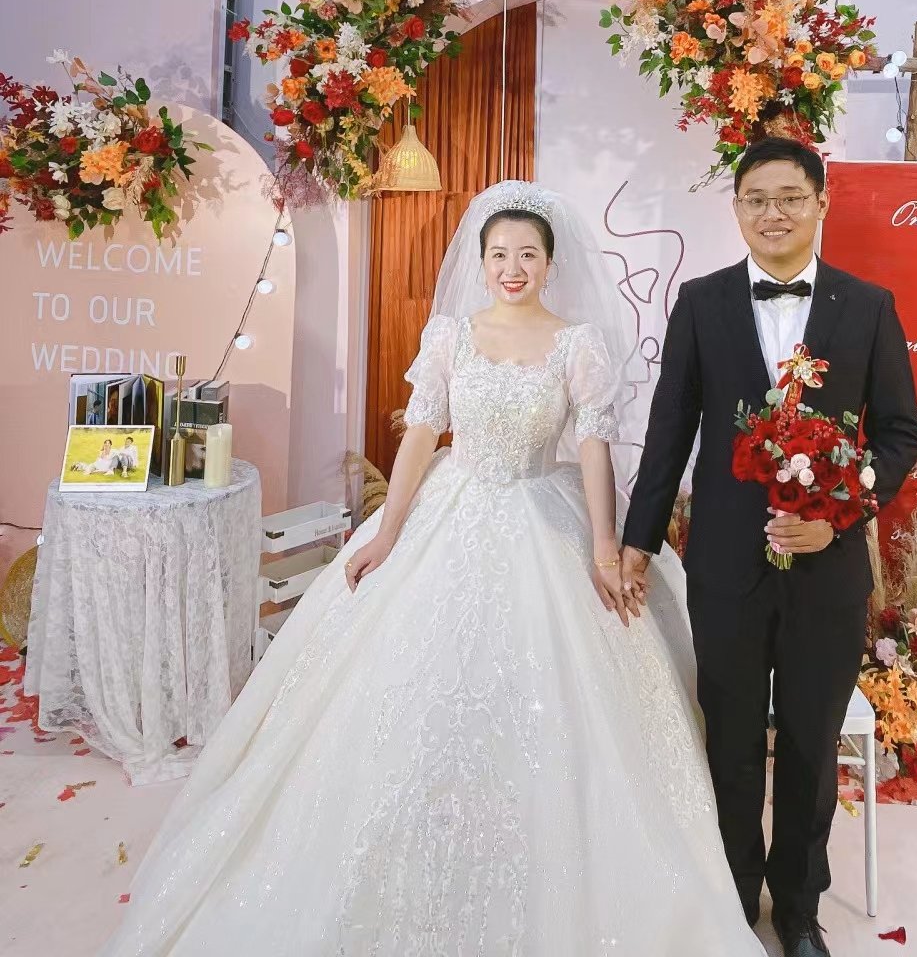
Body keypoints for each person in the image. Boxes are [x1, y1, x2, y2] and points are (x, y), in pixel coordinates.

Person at [101, 180, 765, 957]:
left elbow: (593, 449)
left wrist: (600, 548)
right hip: (451, 509)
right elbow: (421, 434)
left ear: (550, 264)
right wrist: (388, 533)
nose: (512, 268)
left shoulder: (577, 344)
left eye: (527, 255)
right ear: (481, 263)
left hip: (543, 513)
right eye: (499, 254)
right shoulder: (451, 334)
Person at [622, 138, 917, 957]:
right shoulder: (701, 302)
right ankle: (730, 896)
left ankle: (798, 910)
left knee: (810, 744)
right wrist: (638, 541)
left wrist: (840, 515)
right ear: (737, 208)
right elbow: (669, 431)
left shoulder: (869, 307)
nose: (773, 213)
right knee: (728, 741)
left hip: (829, 570)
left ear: (821, 203)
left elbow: (899, 434)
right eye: (756, 199)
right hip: (726, 565)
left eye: (790, 197)